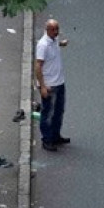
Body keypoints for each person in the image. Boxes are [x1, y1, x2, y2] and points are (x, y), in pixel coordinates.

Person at [34, 19, 70, 152]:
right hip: (50, 84)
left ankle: (55, 135)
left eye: (57, 29)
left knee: (59, 111)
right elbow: (38, 66)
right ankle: (47, 139)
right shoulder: (43, 45)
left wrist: (61, 43)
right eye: (54, 30)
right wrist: (42, 86)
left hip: (59, 82)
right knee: (48, 113)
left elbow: (55, 45)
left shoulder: (54, 40)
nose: (56, 32)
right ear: (47, 30)